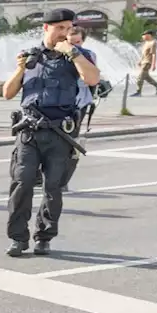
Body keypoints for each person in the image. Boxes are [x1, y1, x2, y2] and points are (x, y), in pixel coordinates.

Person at [2, 8, 100, 257]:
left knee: (53, 188)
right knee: (21, 183)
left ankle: (44, 237)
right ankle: (18, 238)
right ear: (46, 28)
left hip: (60, 132)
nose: (65, 34)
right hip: (29, 131)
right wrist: (20, 69)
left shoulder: (79, 55)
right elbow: (8, 93)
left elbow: (92, 79)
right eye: (60, 29)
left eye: (69, 29)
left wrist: (74, 53)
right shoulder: (30, 57)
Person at [60, 27, 98, 192]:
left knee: (70, 142)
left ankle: (63, 179)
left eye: (78, 42)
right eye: (71, 42)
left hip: (79, 105)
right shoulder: (57, 55)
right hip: (59, 104)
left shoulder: (88, 55)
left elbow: (91, 78)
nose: (75, 46)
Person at [132, 30, 157, 96]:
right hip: (143, 62)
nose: (143, 36)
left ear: (149, 35)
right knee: (147, 77)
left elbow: (154, 54)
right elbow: (144, 54)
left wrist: (153, 65)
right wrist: (140, 61)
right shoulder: (146, 43)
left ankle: (138, 92)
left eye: (144, 35)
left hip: (147, 62)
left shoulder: (153, 43)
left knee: (140, 78)